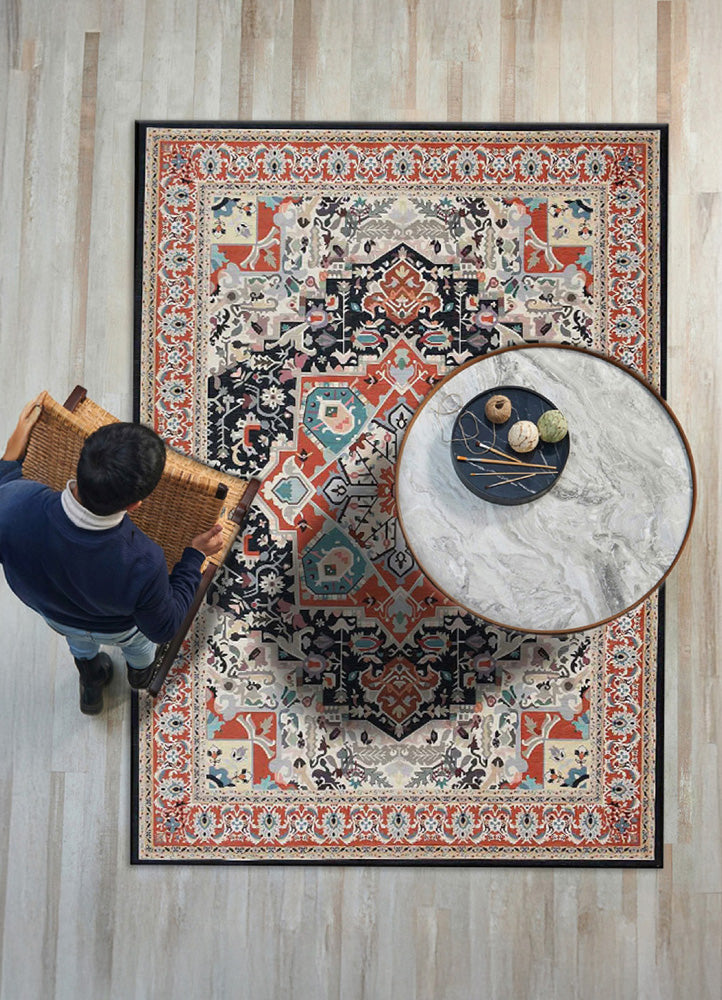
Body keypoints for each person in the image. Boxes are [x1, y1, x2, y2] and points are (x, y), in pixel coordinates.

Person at [0, 394, 224, 715]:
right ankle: (139, 674)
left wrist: (9, 457)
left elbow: (5, 489)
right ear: (135, 505)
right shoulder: (144, 561)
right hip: (118, 628)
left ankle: (91, 682)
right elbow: (163, 627)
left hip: (54, 615)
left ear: (79, 461)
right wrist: (193, 557)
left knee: (80, 645)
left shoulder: (14, 504)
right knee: (139, 646)